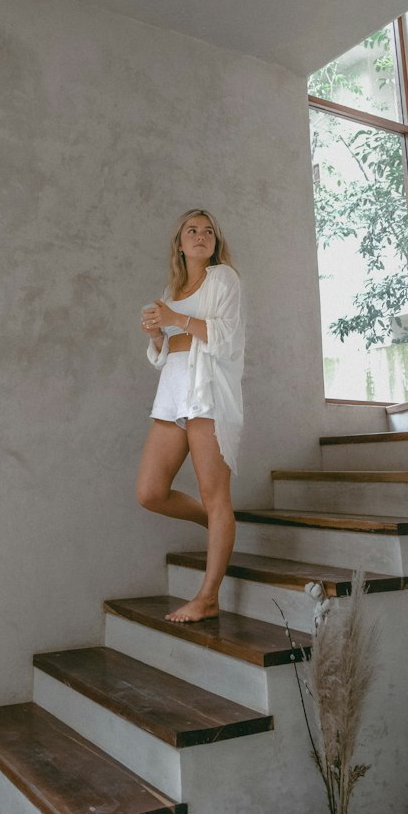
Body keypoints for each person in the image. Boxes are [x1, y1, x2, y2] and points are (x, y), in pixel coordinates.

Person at [136, 208, 245, 623]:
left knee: (217, 496)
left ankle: (208, 597)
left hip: (208, 394)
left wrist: (175, 318)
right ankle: (217, 524)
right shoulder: (173, 286)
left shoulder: (224, 279)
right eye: (191, 231)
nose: (200, 236)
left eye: (208, 231)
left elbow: (227, 338)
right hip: (174, 392)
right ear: (180, 244)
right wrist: (156, 334)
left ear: (215, 243)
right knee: (150, 491)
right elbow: (168, 353)